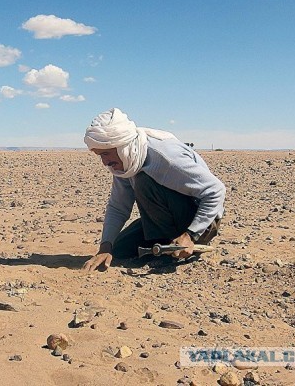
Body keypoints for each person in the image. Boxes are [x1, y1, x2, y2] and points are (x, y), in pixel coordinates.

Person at [82, 108, 225, 272]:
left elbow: (216, 191)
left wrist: (191, 235)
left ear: (123, 146)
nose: (105, 162)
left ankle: (174, 249)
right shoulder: (126, 163)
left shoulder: (165, 157)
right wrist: (105, 247)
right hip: (167, 217)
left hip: (202, 221)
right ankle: (164, 246)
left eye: (106, 153)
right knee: (119, 250)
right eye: (100, 155)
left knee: (144, 181)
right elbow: (118, 207)